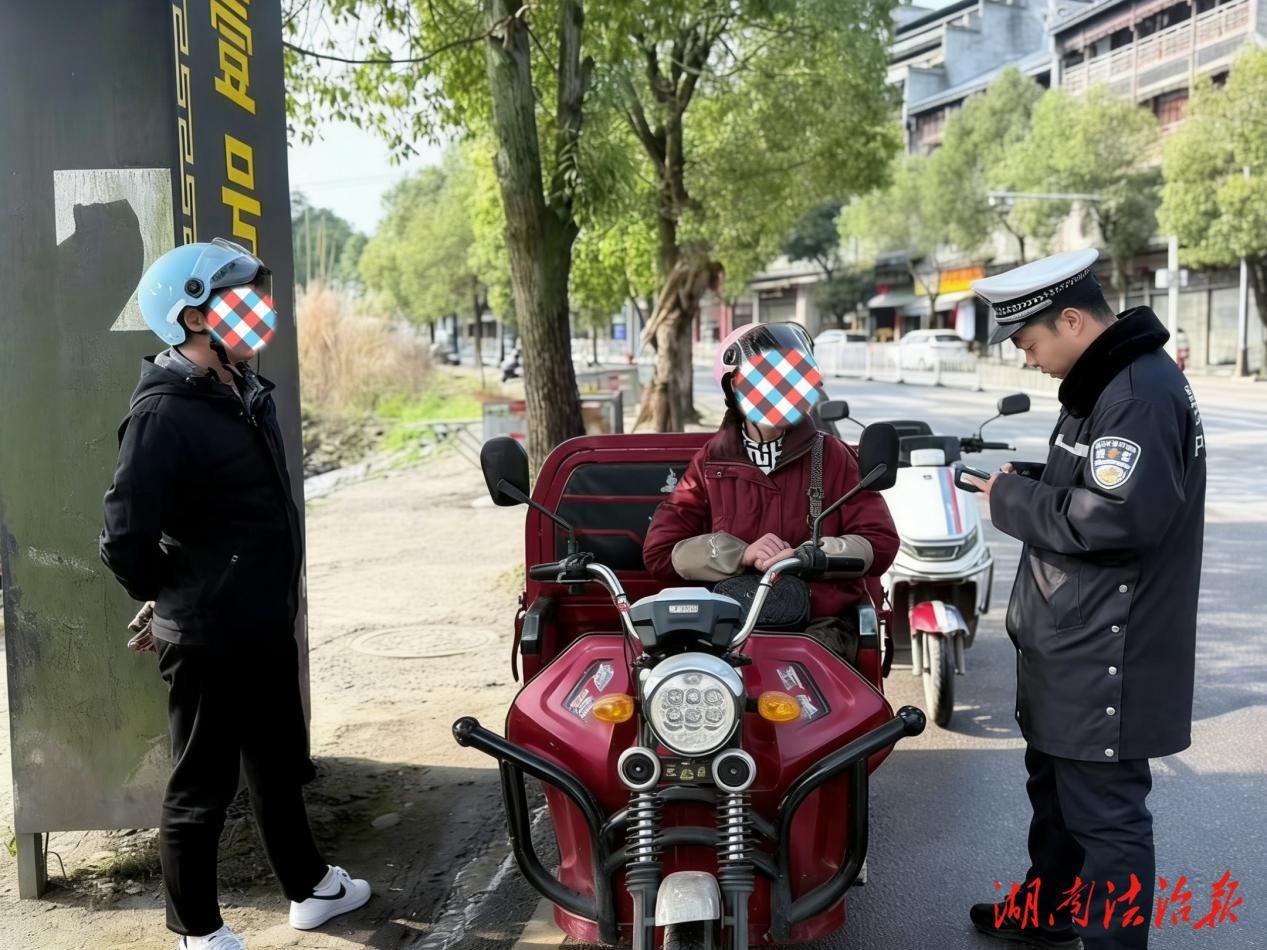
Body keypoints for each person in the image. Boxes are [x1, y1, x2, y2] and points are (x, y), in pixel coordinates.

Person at [100, 239, 371, 950]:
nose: (262, 314)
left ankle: (310, 888)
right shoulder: (162, 413)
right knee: (202, 784)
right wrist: (168, 594)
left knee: (278, 766)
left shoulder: (243, 391)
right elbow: (123, 535)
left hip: (263, 619)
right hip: (209, 633)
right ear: (194, 318)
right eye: (244, 301)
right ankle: (197, 930)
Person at [963, 249, 1206, 950]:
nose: (1028, 359)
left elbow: (1116, 518)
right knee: (1058, 797)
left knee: (1105, 819)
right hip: (1076, 636)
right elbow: (1099, 481)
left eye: (1028, 342)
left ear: (1071, 320)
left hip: (1107, 644)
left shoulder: (1135, 394)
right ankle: (1046, 912)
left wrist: (1011, 499)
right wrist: (1035, 478)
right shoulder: (1105, 383)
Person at [642, 323, 899, 657]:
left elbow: (879, 542)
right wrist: (739, 553)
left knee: (807, 675)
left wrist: (809, 555)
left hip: (820, 623)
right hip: (726, 623)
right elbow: (661, 552)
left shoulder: (834, 456)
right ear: (736, 387)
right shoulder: (709, 462)